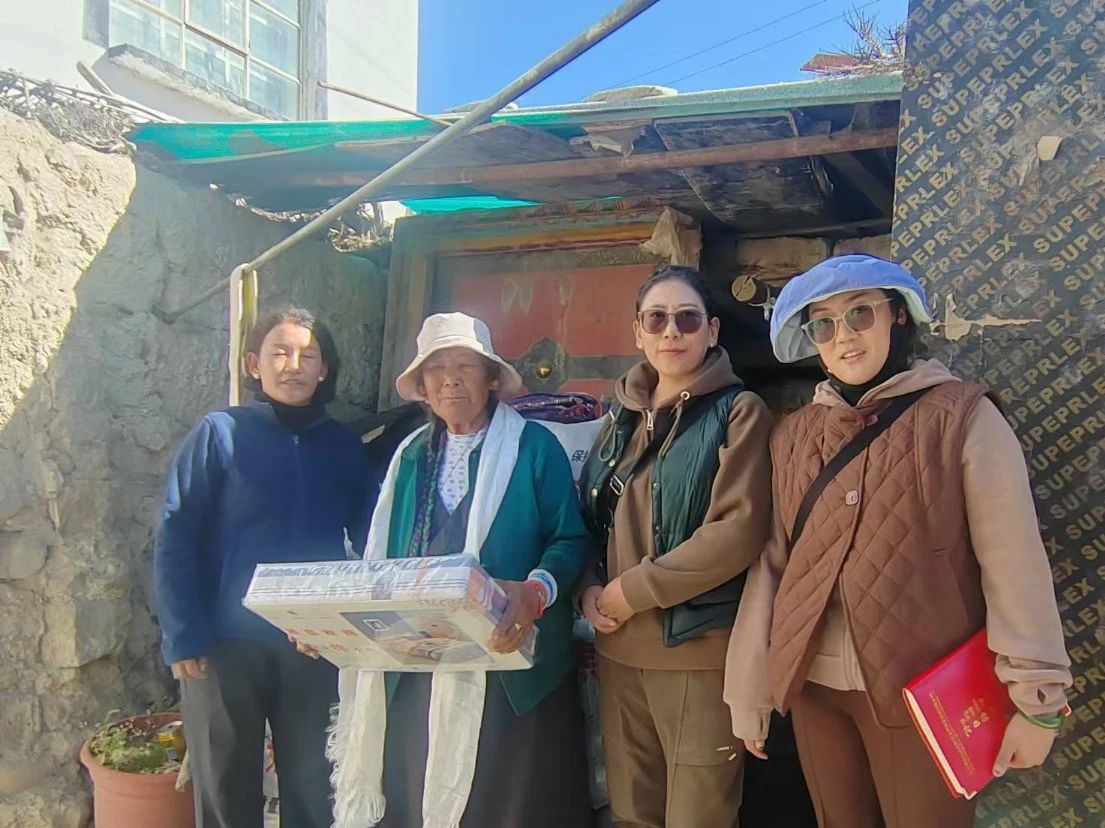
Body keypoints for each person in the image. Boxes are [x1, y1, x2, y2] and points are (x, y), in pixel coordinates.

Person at [725, 254, 1073, 828]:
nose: (844, 336)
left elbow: (1012, 562)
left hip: (923, 691)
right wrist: (749, 688)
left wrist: (1037, 701)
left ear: (899, 317)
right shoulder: (794, 436)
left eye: (860, 314)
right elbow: (774, 566)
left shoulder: (962, 417)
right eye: (824, 324)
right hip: (814, 690)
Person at [317, 312, 593, 828]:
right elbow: (380, 562)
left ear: (490, 378)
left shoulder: (534, 448)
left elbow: (570, 539)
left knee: (509, 805)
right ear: (423, 387)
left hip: (512, 669)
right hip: (420, 661)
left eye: (465, 366)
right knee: (417, 792)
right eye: (437, 368)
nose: (451, 379)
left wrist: (536, 590)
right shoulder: (409, 458)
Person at [154, 307, 371, 827]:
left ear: (324, 369)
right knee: (225, 787)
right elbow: (177, 532)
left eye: (308, 355)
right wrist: (183, 636)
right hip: (225, 645)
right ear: (254, 364)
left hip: (312, 644)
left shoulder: (343, 446)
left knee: (317, 787)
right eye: (280, 352)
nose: (294, 365)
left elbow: (372, 537)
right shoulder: (221, 433)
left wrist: (358, 627)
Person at [577, 266, 773, 827]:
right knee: (632, 810)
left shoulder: (739, 412)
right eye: (656, 319)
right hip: (618, 651)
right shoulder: (619, 417)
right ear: (637, 332)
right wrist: (588, 587)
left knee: (698, 815)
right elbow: (591, 517)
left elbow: (737, 531)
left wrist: (633, 591)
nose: (671, 331)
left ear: (712, 330)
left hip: (695, 652)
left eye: (687, 319)